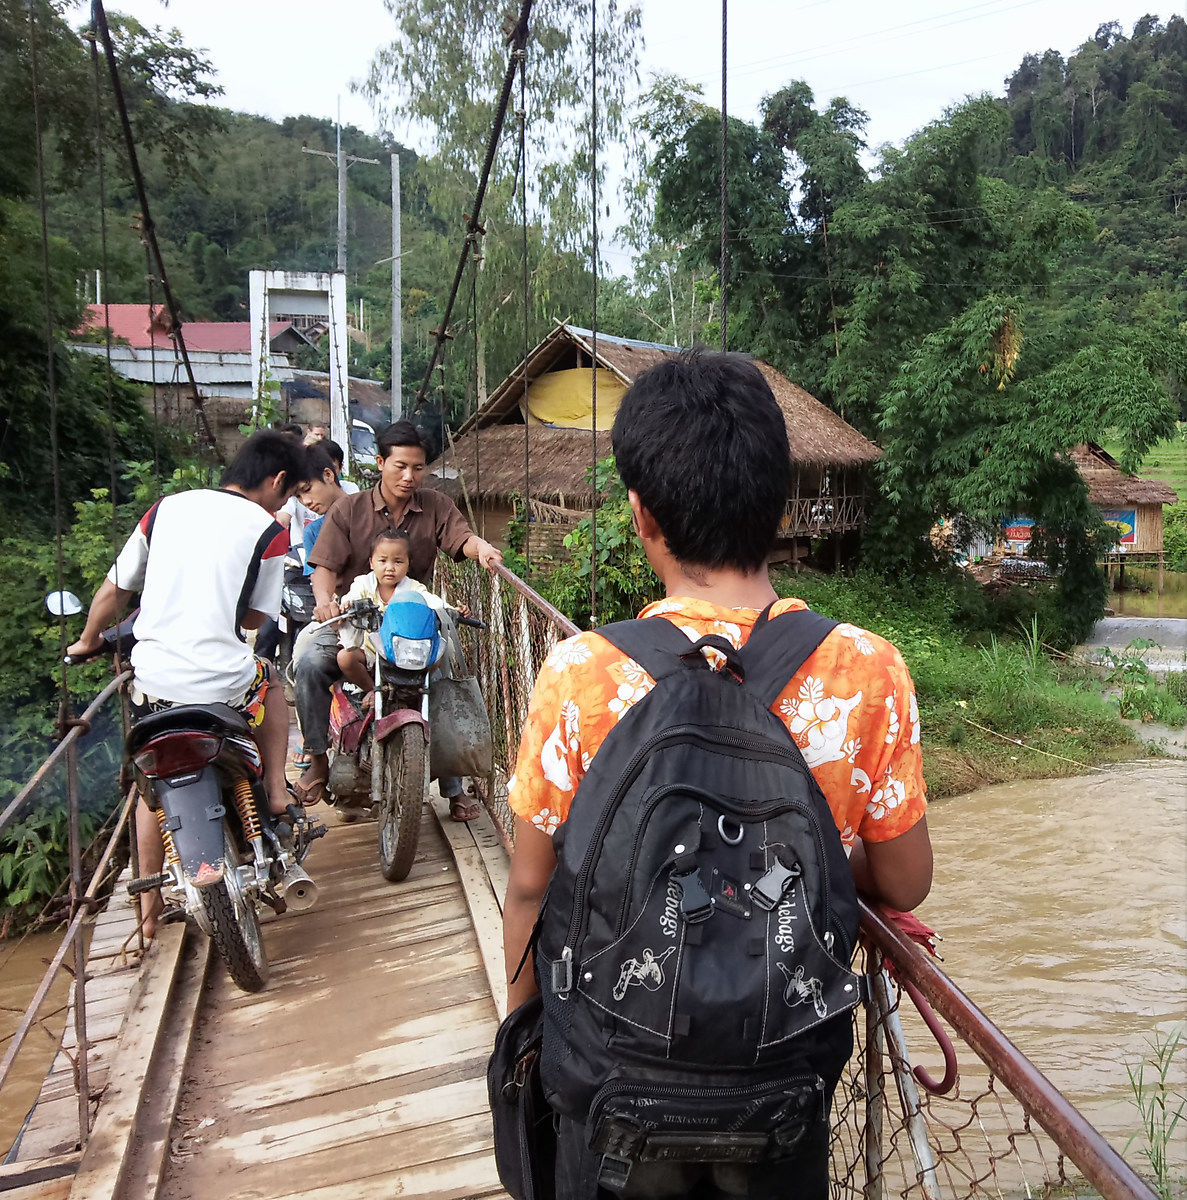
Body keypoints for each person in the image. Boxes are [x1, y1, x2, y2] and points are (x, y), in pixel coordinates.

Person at [502, 351, 933, 1199]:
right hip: (782, 1092)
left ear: (640, 516)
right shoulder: (867, 671)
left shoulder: (581, 673)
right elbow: (905, 881)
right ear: (779, 506)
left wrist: (523, 1035)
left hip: (610, 1082)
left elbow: (527, 885)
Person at [66, 430, 313, 937]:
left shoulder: (164, 510)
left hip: (156, 683)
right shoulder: (270, 531)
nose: (283, 504)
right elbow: (252, 618)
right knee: (270, 680)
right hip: (224, 684)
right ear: (278, 481)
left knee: (147, 786)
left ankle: (148, 914)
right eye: (286, 495)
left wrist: (88, 639)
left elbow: (115, 590)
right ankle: (274, 792)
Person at [293, 418, 503, 814]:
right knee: (307, 663)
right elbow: (324, 567)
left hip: (410, 623)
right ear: (379, 462)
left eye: (418, 467)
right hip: (355, 620)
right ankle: (317, 757)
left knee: (446, 676)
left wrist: (484, 550)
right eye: (400, 466)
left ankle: (454, 787)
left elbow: (462, 538)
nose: (409, 476)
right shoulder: (348, 510)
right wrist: (325, 601)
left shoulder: (436, 505)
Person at [336, 530, 446, 694]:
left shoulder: (413, 588)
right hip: (372, 650)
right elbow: (351, 597)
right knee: (345, 658)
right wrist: (347, 605)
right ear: (371, 563)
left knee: (436, 657)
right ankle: (371, 691)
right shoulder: (363, 584)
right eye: (382, 561)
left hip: (406, 651)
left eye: (398, 562)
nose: (390, 568)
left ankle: (416, 691)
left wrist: (451, 610)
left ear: (408, 564)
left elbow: (432, 601)